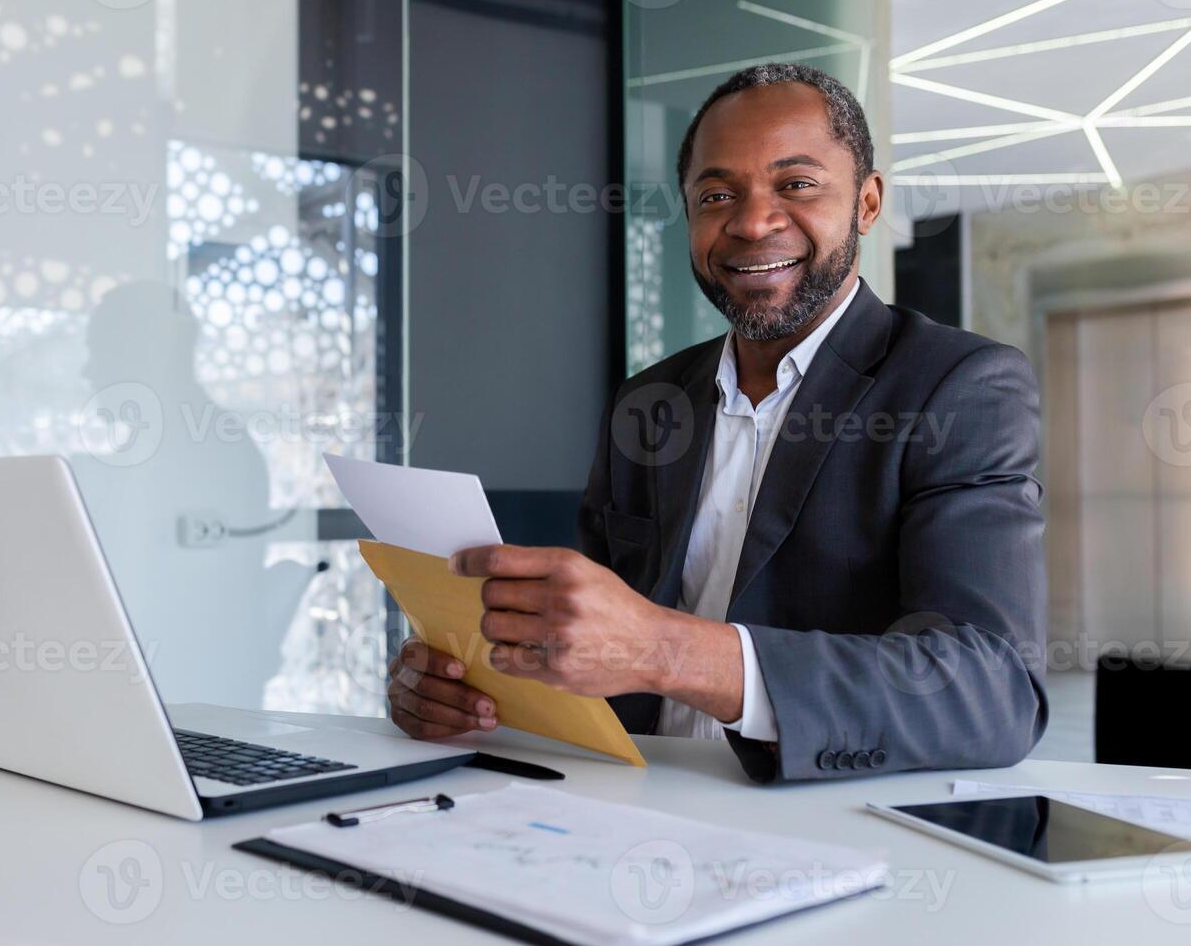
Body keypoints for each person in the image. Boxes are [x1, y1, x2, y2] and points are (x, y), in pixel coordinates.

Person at [385, 64, 1048, 781]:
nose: (753, 222)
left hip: (826, 835)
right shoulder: (648, 401)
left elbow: (995, 690)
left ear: (867, 201)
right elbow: (598, 651)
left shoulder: (959, 386)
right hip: (626, 812)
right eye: (717, 194)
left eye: (796, 185)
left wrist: (664, 649)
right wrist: (477, 689)